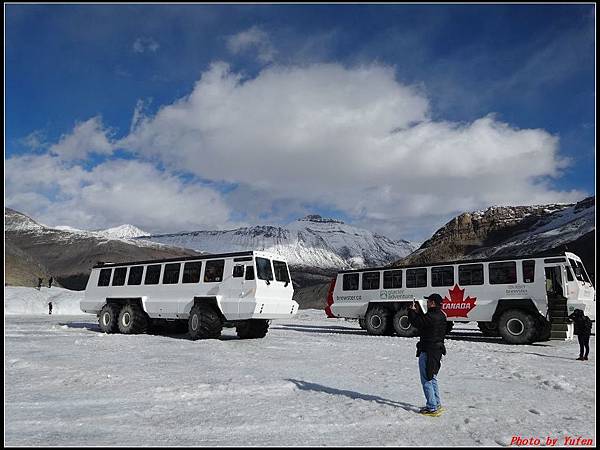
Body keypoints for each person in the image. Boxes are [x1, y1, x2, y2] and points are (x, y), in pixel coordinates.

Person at [408, 293, 447, 416]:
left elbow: (417, 322)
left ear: (433, 303)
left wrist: (411, 311)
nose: (427, 303)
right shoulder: (440, 315)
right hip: (436, 351)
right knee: (432, 377)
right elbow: (424, 323)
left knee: (426, 380)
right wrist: (418, 312)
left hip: (428, 351)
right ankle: (436, 404)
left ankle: (432, 408)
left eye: (429, 301)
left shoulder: (432, 316)